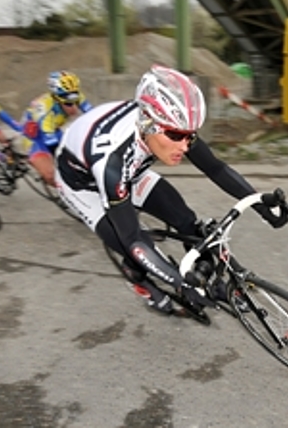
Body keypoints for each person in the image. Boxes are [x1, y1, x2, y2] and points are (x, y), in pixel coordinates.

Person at [54, 64, 287, 315]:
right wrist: (179, 282)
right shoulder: (111, 162)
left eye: (190, 135)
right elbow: (132, 238)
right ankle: (140, 281)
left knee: (187, 221)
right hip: (82, 184)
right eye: (177, 136)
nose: (185, 146)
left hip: (132, 167)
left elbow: (216, 169)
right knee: (132, 246)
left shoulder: (167, 126)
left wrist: (262, 206)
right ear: (147, 122)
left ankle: (215, 284)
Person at [20, 70, 93, 187]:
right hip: (35, 138)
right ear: (57, 98)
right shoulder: (45, 111)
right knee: (51, 174)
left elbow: (94, 115)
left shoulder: (73, 94)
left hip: (53, 129)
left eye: (75, 100)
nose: (74, 107)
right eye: (69, 103)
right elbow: (53, 146)